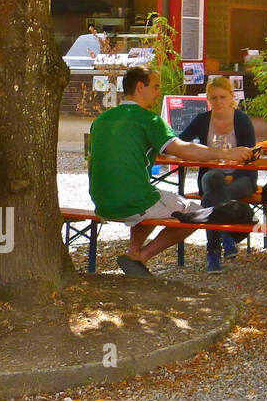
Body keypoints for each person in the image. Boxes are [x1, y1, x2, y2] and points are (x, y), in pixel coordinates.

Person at [89, 66, 253, 277]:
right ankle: (142, 256)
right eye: (155, 87)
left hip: (101, 203)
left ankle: (133, 252)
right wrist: (227, 154)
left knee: (153, 198)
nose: (158, 93)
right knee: (195, 210)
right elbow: (184, 150)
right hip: (132, 201)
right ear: (140, 87)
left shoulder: (101, 120)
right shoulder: (149, 120)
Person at [176, 75, 258, 272]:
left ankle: (213, 252)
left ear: (231, 97)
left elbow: (251, 155)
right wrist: (197, 150)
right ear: (208, 99)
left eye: (222, 97)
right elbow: (179, 142)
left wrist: (233, 174)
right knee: (214, 180)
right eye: (214, 98)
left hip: (242, 178)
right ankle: (226, 236)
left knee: (211, 199)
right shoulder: (202, 120)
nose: (218, 102)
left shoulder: (242, 120)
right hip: (212, 177)